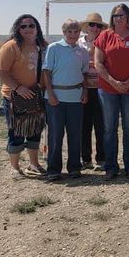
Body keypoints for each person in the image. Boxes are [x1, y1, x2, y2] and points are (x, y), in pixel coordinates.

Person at [94, 4, 129, 181]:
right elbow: (98, 63)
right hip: (108, 89)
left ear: (128, 17)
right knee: (109, 129)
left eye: (122, 15)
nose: (119, 18)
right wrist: (113, 82)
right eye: (116, 15)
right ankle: (111, 167)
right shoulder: (104, 36)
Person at [0, 14, 48, 179]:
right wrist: (18, 88)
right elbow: (0, 70)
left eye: (31, 26)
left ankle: (34, 164)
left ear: (37, 28)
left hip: (36, 95)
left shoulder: (42, 46)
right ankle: (15, 167)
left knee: (34, 130)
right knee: (16, 132)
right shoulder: (11, 46)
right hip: (14, 96)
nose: (28, 29)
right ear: (18, 29)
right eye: (23, 26)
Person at [42, 19, 90, 181]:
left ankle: (74, 167)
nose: (73, 34)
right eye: (69, 31)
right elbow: (46, 72)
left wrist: (85, 91)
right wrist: (51, 93)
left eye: (76, 31)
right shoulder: (53, 48)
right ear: (64, 32)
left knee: (75, 134)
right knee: (55, 135)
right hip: (56, 97)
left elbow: (84, 73)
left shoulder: (82, 51)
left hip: (75, 98)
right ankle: (54, 169)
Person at [78, 12, 108, 171]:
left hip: (101, 87)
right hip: (83, 88)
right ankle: (86, 158)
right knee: (84, 125)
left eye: (98, 25)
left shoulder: (105, 42)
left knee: (101, 125)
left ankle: (101, 158)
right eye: (92, 24)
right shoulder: (79, 43)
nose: (95, 28)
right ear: (86, 27)